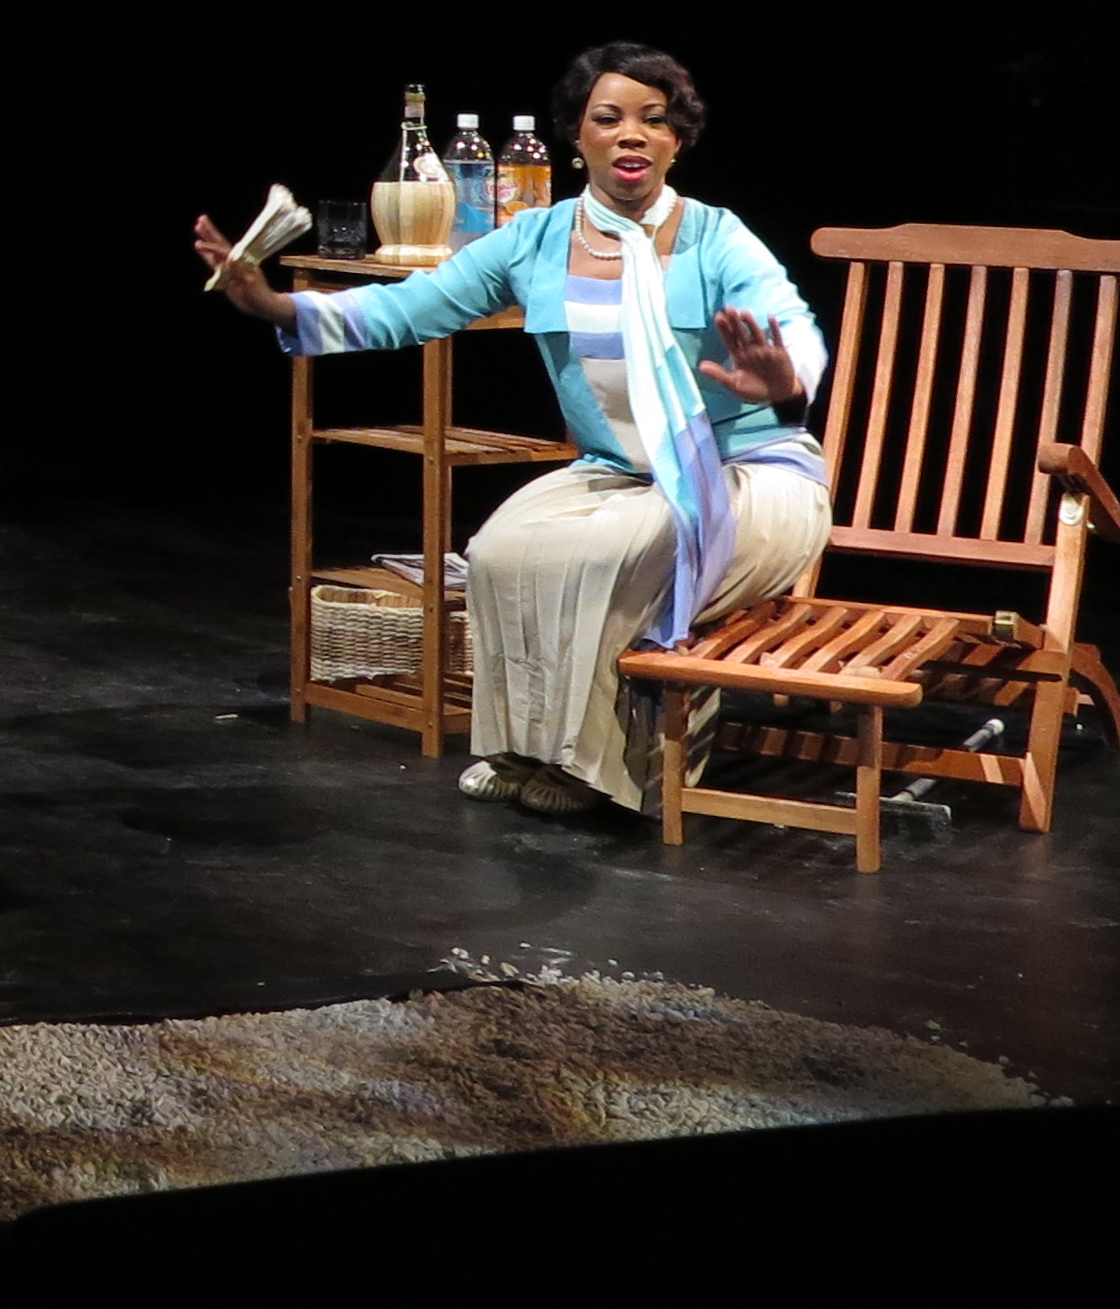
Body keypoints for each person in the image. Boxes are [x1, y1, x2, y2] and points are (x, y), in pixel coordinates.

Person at [195, 42, 833, 819]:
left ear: (678, 141)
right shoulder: (536, 240)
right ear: (578, 136)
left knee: (614, 551)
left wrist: (786, 380)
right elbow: (409, 307)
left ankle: (603, 768)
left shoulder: (716, 236)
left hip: (751, 475)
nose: (632, 134)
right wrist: (273, 307)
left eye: (655, 120)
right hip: (619, 474)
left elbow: (789, 321)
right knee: (499, 551)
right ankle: (524, 747)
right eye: (609, 118)